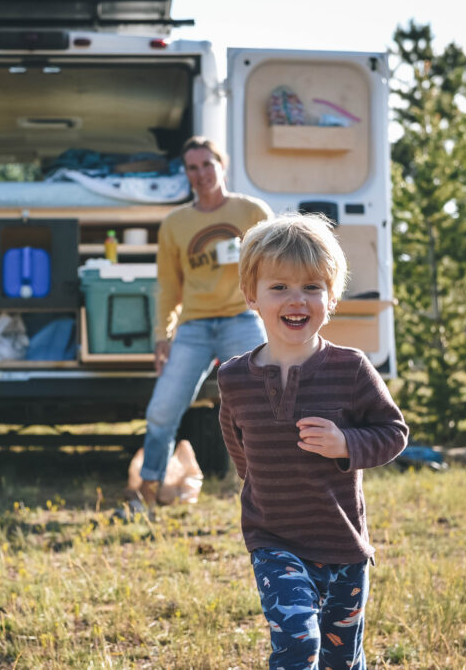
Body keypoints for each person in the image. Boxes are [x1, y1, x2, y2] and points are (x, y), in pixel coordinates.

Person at [217, 215, 408, 670]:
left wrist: (346, 443)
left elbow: (393, 432)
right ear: (252, 297)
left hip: (343, 544)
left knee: (343, 660)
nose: (296, 299)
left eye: (311, 287)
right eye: (279, 287)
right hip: (274, 540)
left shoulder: (350, 368)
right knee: (299, 643)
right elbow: (237, 444)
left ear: (331, 296)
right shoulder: (234, 378)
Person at [135, 136, 273, 505]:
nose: (201, 174)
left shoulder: (252, 212)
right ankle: (147, 494)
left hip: (241, 319)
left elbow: (275, 266)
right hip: (193, 327)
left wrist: (273, 317)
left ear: (222, 166)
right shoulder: (175, 224)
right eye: (192, 168)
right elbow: (168, 287)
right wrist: (162, 336)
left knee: (264, 403)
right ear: (186, 174)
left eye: (207, 165)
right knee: (162, 410)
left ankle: (267, 489)